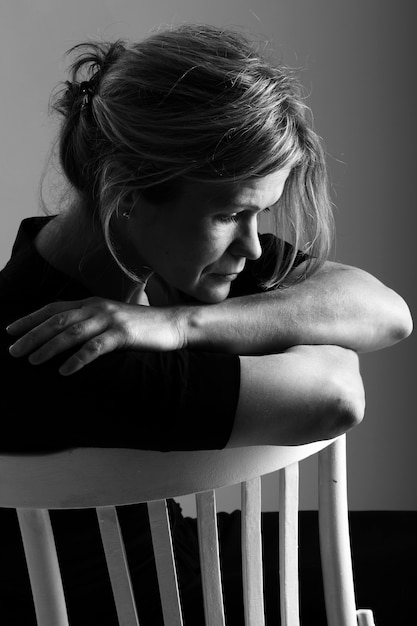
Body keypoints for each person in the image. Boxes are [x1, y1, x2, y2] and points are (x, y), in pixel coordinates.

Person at [0, 23, 412, 625]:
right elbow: (337, 393)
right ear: (127, 195)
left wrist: (183, 325)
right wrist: (279, 337)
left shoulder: (162, 262)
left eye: (258, 214)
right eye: (231, 214)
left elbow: (385, 311)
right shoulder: (67, 350)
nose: (250, 246)